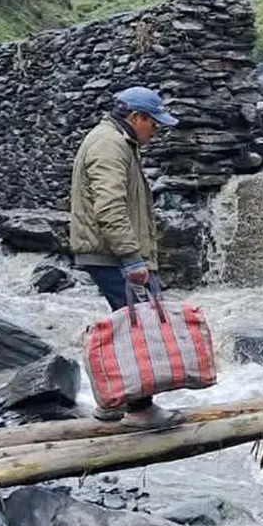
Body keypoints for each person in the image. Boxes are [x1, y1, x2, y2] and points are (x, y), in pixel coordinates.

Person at [70, 86, 182, 428]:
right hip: (111, 254)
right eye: (155, 124)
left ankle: (111, 403)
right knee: (140, 329)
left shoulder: (116, 140)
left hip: (108, 253)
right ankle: (139, 409)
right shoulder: (110, 145)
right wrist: (132, 259)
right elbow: (110, 207)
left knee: (126, 326)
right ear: (136, 117)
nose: (157, 131)